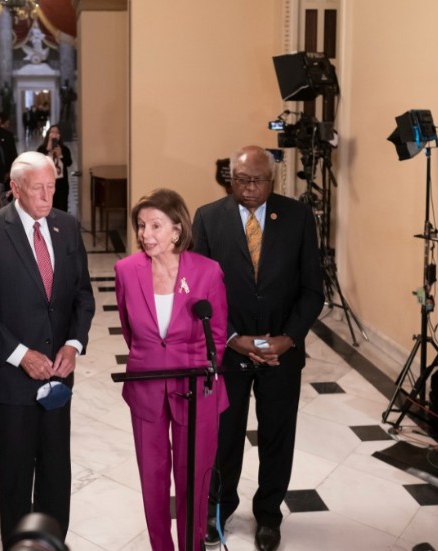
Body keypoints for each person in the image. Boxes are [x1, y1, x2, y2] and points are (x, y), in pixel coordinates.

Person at [0, 151, 95, 546]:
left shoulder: (67, 227)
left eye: (52, 185)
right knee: (17, 475)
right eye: (38, 187)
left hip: (59, 375)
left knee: (56, 470)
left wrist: (72, 345)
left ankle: (53, 540)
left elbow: (82, 297)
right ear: (14, 188)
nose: (47, 194)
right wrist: (22, 355)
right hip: (11, 381)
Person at [194, 146, 324, 551]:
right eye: (241, 179)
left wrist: (289, 338)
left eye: (258, 180)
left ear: (274, 179)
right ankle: (220, 508)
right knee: (225, 437)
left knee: (277, 436)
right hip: (229, 350)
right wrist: (231, 337)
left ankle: (269, 514)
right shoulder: (208, 217)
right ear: (228, 176)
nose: (250, 188)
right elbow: (201, 291)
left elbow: (312, 289)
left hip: (281, 351)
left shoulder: (299, 217)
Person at [114, 188, 228, 551]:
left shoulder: (208, 272)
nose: (146, 234)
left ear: (177, 230)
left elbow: (219, 335)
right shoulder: (126, 271)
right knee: (153, 478)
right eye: (141, 225)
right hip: (146, 386)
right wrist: (153, 358)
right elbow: (131, 332)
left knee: (194, 478)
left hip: (197, 390)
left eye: (155, 226)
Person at [36, 125, 72, 213]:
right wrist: (47, 151)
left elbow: (69, 163)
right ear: (48, 135)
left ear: (60, 136)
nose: (54, 135)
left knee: (61, 208)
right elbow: (37, 164)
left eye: (57, 133)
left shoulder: (65, 149)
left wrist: (61, 155)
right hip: (46, 183)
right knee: (48, 208)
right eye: (52, 132)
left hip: (61, 184)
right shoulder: (41, 149)